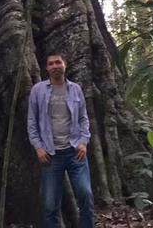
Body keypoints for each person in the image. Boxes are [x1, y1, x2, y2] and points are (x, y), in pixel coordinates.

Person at [27, 53, 94, 228]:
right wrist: (38, 148)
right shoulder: (38, 90)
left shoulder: (75, 89)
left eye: (58, 62)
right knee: (50, 204)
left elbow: (83, 119)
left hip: (75, 152)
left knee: (85, 194)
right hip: (50, 155)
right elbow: (32, 122)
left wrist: (83, 142)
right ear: (47, 68)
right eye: (51, 63)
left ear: (65, 65)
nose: (55, 66)